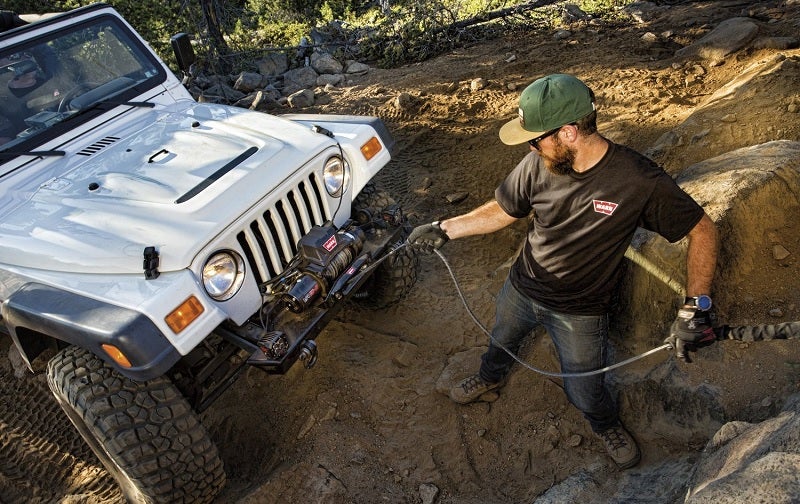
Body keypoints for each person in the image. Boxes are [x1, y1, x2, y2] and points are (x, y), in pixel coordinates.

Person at [407, 73, 719, 470]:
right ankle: (490, 377)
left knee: (585, 391)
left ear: (569, 132)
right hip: (522, 289)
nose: (531, 146)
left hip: (581, 311)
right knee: (501, 338)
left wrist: (697, 305)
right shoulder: (539, 164)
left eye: (536, 137)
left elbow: (702, 229)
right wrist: (445, 228)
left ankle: (604, 424)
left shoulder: (638, 181)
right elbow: (504, 209)